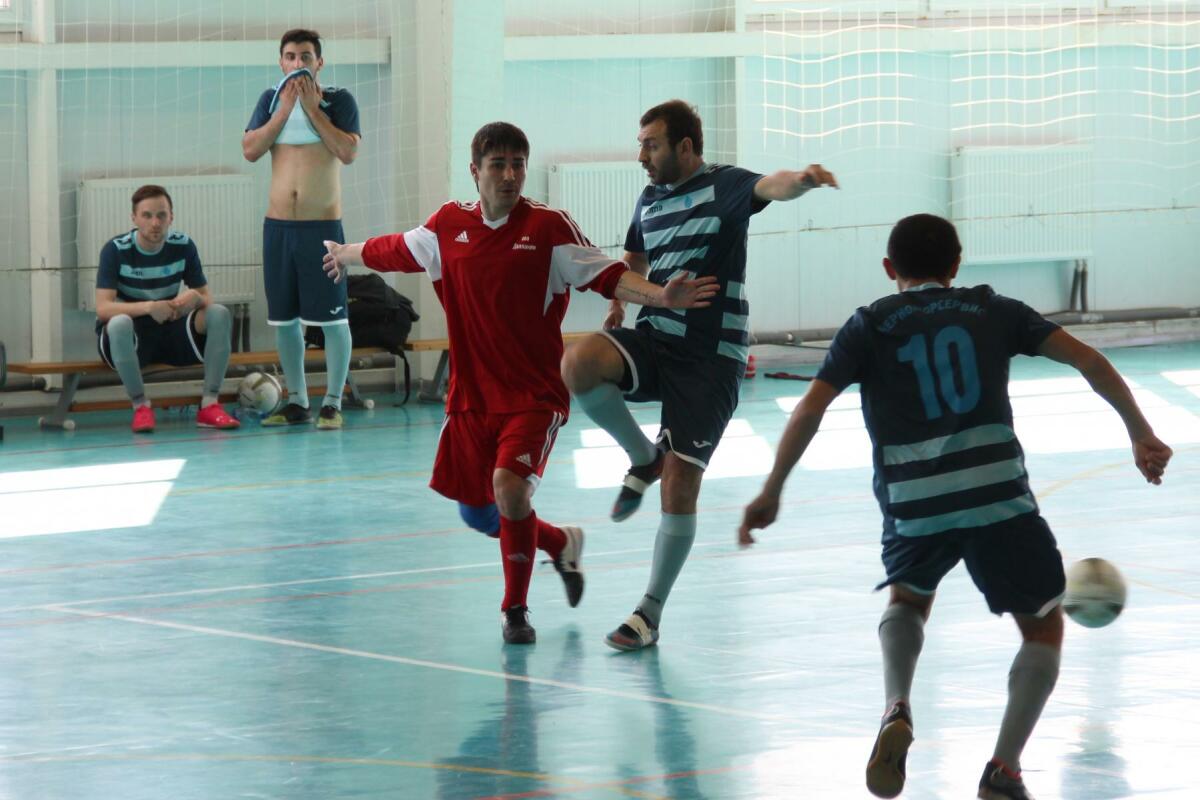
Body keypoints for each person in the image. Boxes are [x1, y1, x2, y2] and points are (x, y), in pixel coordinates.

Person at [738, 214, 1173, 799]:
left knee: (908, 600)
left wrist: (772, 489)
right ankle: (1003, 770)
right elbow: (1089, 360)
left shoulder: (869, 323)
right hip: (997, 495)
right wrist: (1140, 433)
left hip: (913, 500)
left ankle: (896, 704)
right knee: (1042, 625)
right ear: (956, 265)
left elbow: (810, 409)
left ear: (889, 268)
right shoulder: (994, 309)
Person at [322, 122, 718, 645]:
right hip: (470, 399)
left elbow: (605, 273)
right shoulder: (448, 227)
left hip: (533, 397)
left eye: (518, 165)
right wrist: (345, 253)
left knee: (509, 489)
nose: (509, 175)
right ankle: (560, 543)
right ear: (475, 172)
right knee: (478, 512)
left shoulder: (548, 228)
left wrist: (660, 296)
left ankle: (515, 610)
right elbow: (395, 249)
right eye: (498, 165)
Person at [559, 99, 838, 652]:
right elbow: (636, 259)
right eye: (641, 144)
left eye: (651, 144)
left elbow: (773, 185)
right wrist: (620, 302)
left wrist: (804, 180)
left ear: (685, 146)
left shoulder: (725, 186)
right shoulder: (649, 198)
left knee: (680, 483)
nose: (641, 156)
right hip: (658, 339)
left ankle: (649, 612)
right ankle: (643, 456)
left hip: (711, 358)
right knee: (578, 363)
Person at [242, 28, 360, 430]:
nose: (297, 64)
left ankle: (332, 403)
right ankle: (297, 401)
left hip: (321, 228)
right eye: (290, 57)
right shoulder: (269, 100)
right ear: (281, 62)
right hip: (278, 229)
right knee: (284, 319)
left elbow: (347, 151)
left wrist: (311, 109)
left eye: (305, 57)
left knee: (333, 320)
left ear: (319, 63)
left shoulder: (338, 100)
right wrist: (285, 109)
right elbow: (251, 150)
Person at [94, 185, 240, 434]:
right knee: (118, 323)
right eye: (147, 215)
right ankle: (140, 407)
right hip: (129, 338)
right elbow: (103, 309)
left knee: (219, 313)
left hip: (169, 328)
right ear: (134, 218)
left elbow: (207, 298)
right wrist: (149, 307)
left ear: (171, 217)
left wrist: (194, 298)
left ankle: (209, 404)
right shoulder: (115, 250)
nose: (155, 223)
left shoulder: (183, 245)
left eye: (161, 215)